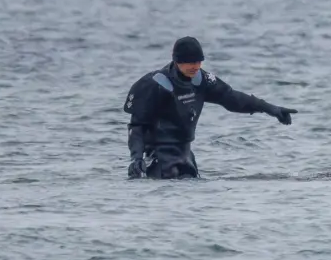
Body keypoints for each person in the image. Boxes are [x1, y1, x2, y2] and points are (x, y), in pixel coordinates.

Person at [123, 37, 297, 179]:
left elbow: (233, 98)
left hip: (186, 156)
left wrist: (270, 109)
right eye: (190, 62)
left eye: (198, 61)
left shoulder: (202, 80)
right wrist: (136, 158)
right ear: (176, 61)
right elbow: (137, 126)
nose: (195, 66)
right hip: (160, 159)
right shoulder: (156, 84)